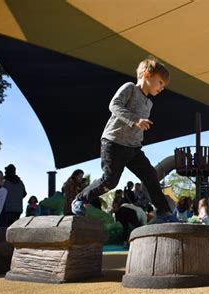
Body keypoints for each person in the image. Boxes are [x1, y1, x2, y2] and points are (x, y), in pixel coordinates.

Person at [71, 57, 173, 222]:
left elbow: (138, 127)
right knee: (110, 181)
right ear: (147, 74)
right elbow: (114, 105)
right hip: (114, 143)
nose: (162, 88)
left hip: (133, 148)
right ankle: (81, 199)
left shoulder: (149, 103)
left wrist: (139, 133)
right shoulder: (130, 88)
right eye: (160, 82)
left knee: (151, 176)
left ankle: (164, 213)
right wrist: (135, 120)